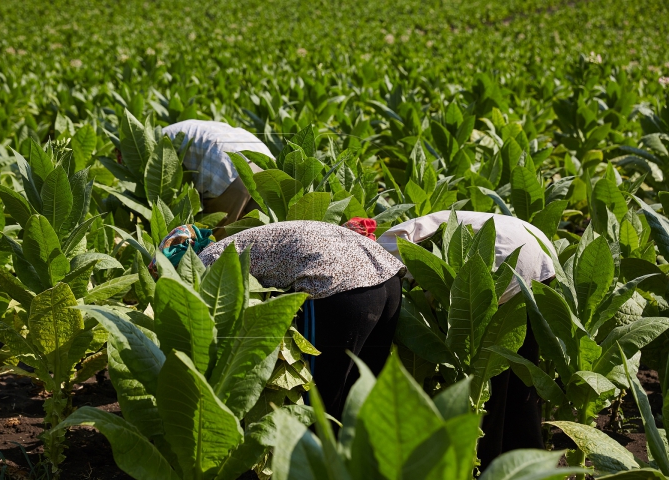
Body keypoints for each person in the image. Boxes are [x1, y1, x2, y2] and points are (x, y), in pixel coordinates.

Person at [154, 218, 405, 419]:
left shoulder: (205, 263)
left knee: (319, 400)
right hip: (386, 275)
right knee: (362, 390)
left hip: (338, 286)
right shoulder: (235, 242)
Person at [377, 210, 557, 465]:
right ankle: (528, 457)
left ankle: (487, 461)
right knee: (521, 369)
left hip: (505, 258)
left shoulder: (381, 257)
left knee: (489, 375)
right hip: (534, 244)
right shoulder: (390, 237)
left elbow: (421, 298)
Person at [162, 120, 273, 237]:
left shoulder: (160, 139)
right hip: (261, 158)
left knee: (215, 240)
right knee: (265, 229)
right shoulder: (175, 131)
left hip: (228, 169)